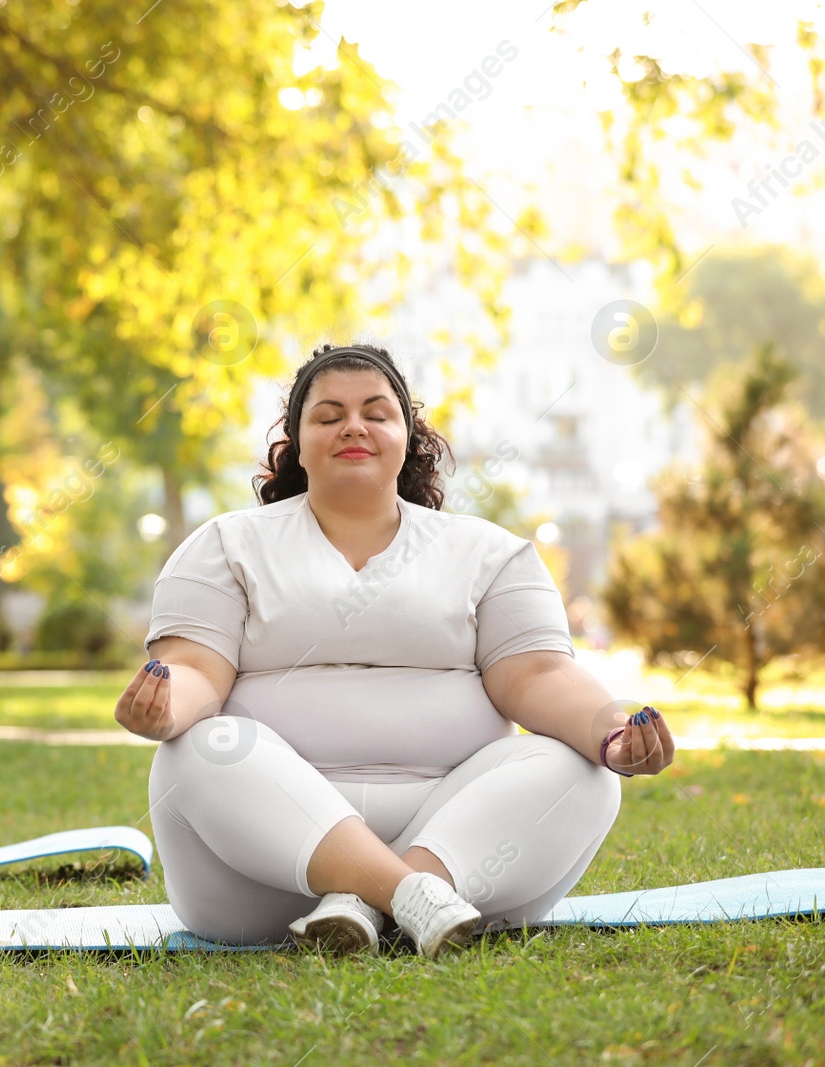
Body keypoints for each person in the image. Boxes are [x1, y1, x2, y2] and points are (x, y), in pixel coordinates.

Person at [115, 344, 674, 956]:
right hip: (256, 881)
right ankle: (406, 898)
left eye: (376, 413)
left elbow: (540, 677)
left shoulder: (488, 553)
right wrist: (167, 708)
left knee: (582, 772)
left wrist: (613, 734)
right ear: (296, 444)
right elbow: (196, 669)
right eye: (328, 416)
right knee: (199, 747)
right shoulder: (224, 545)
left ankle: (370, 902)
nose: (353, 426)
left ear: (409, 436)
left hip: (466, 861)